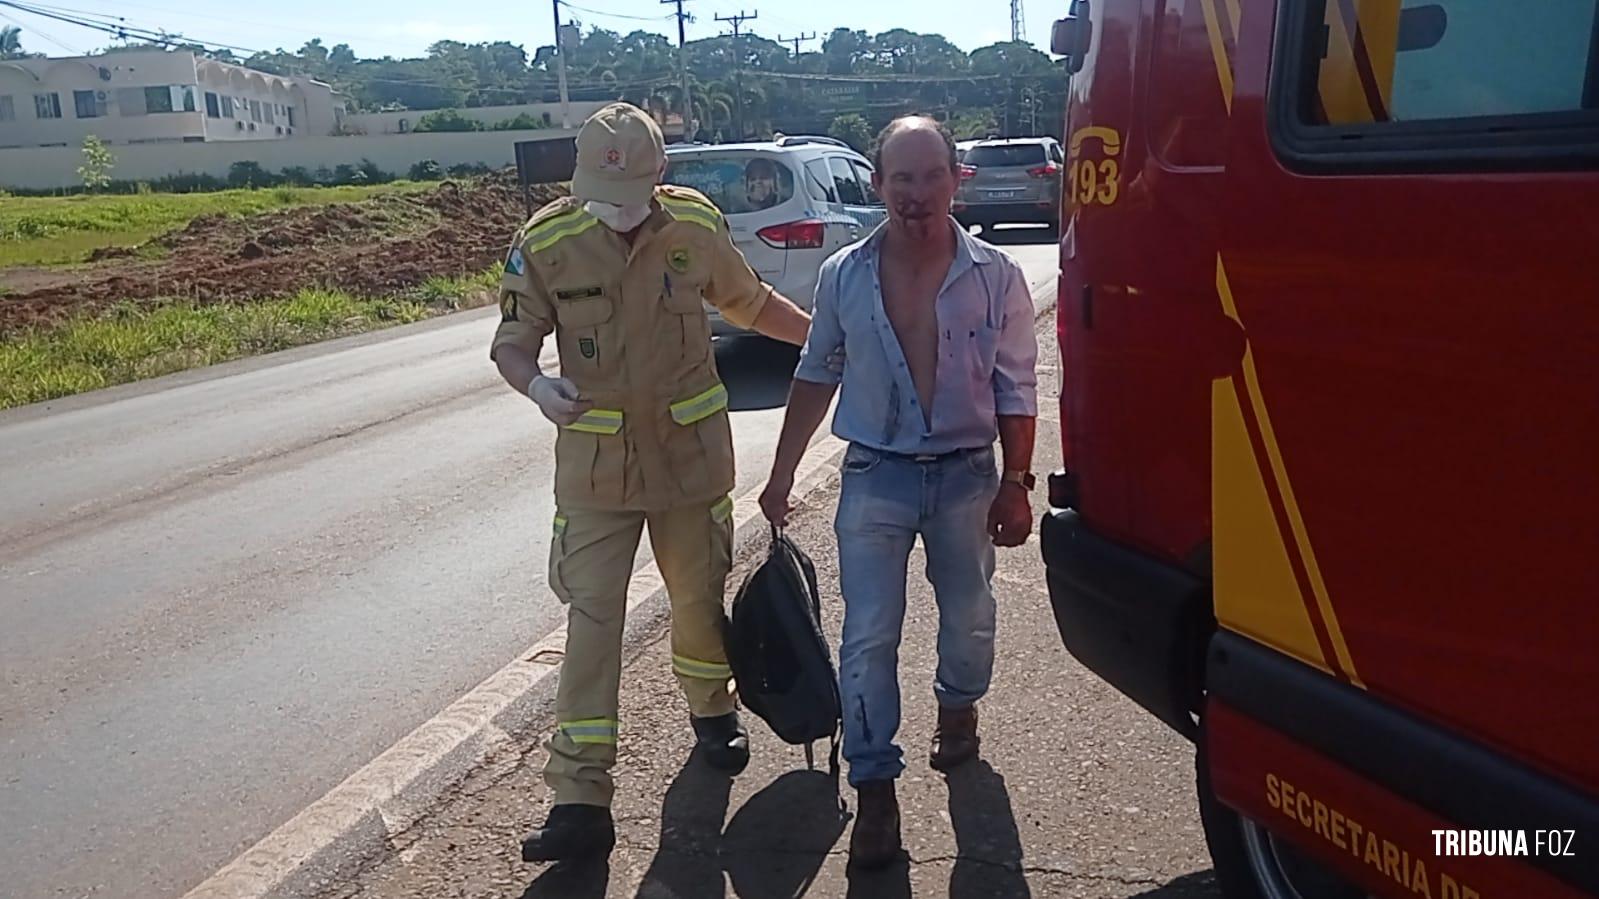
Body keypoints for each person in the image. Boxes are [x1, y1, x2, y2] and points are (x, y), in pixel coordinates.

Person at [492, 102, 815, 862]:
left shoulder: (694, 228)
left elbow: (750, 303)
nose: (617, 214)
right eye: (602, 198)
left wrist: (829, 335)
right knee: (591, 625)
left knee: (697, 602)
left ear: (660, 175)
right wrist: (536, 388)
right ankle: (579, 800)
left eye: (631, 195)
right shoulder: (546, 242)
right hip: (597, 474)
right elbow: (511, 343)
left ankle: (711, 712)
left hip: (689, 462)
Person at [758, 115, 1039, 869]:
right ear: (877, 184)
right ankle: (875, 788)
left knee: (970, 615)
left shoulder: (995, 275)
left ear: (956, 178)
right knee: (868, 634)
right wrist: (781, 473)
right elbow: (816, 369)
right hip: (874, 474)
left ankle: (957, 705)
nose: (916, 193)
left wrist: (1015, 481)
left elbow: (1016, 385)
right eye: (900, 178)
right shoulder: (843, 274)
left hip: (965, 476)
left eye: (931, 175)